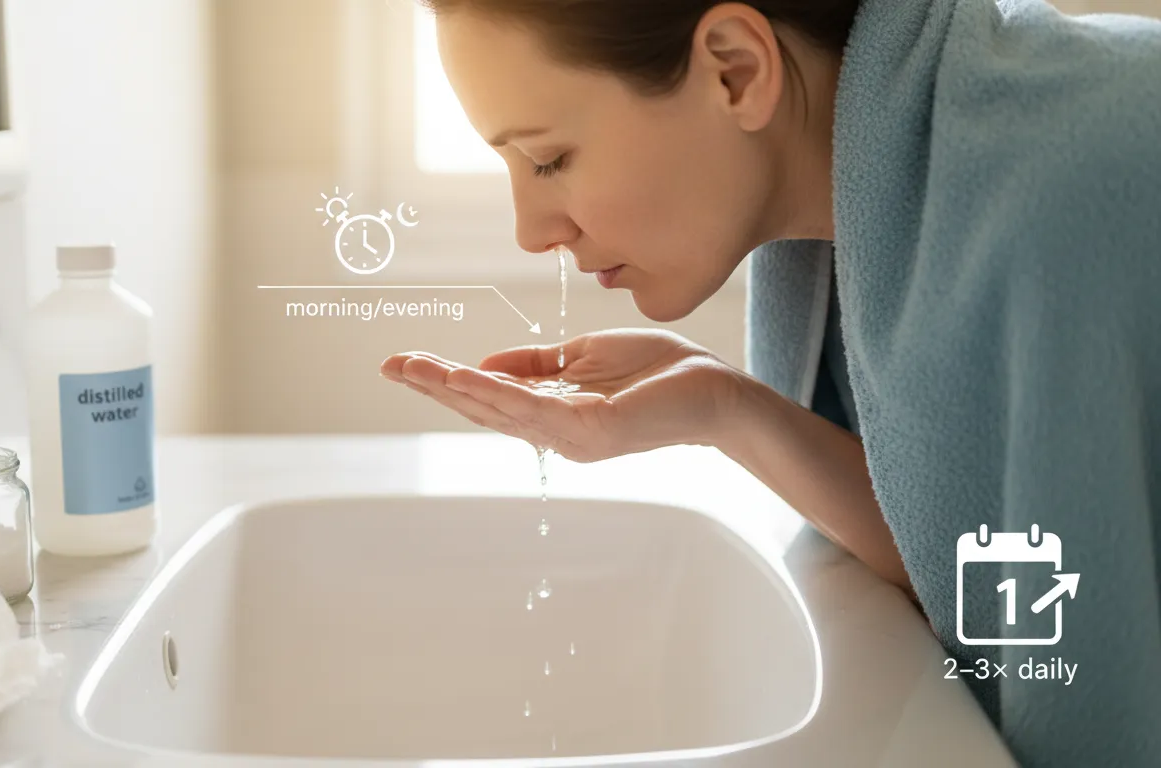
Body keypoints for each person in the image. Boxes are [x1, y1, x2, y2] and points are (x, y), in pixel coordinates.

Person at [378, 0, 1161, 765]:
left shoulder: (1086, 180)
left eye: (549, 159)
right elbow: (979, 571)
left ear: (735, 70)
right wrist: (727, 409)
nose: (531, 230)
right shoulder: (863, 202)